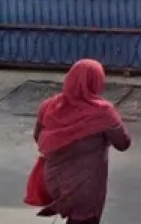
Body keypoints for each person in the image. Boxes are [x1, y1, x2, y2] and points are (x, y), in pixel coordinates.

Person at [24, 59, 132, 224]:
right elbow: (123, 144)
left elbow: (38, 137)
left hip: (54, 179)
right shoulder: (103, 112)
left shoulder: (49, 105)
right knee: (85, 218)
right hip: (85, 184)